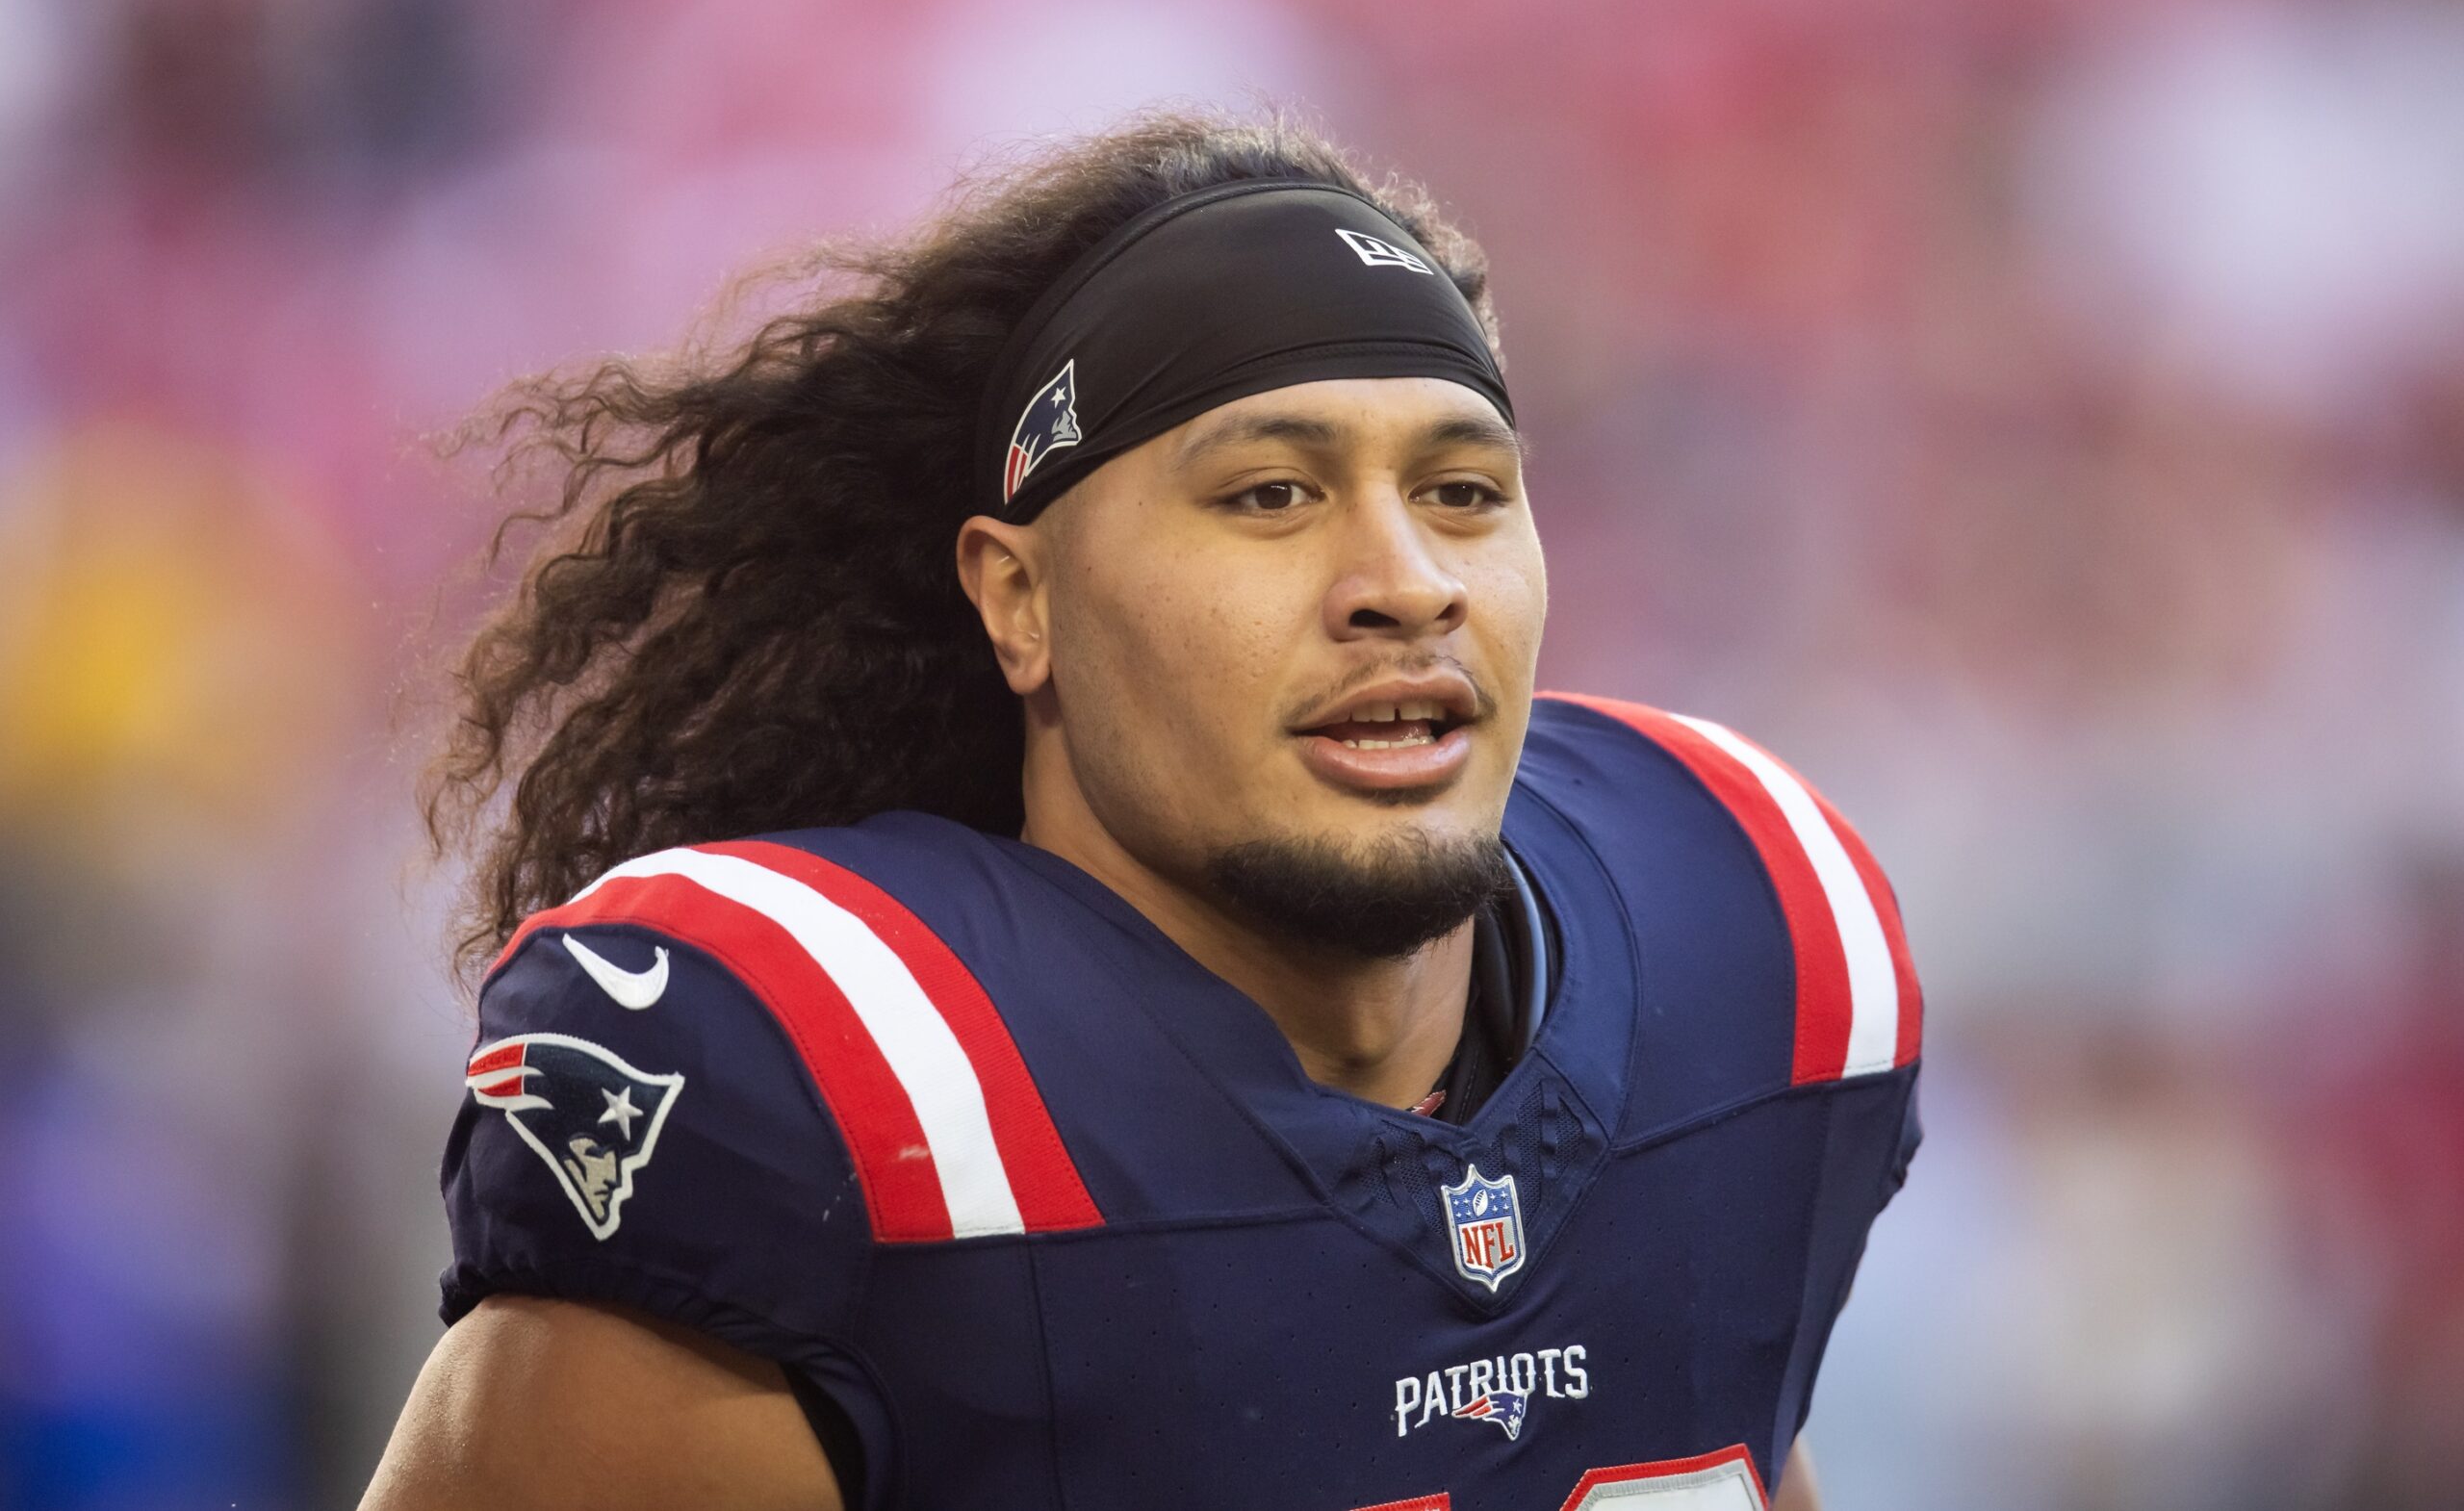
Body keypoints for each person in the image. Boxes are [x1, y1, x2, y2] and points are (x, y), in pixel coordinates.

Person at [364, 112, 1921, 1511]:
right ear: (1021, 599)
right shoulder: (845, 1105)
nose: (1408, 585)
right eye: (1271, 495)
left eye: (1462, 492)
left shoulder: (1748, 945)